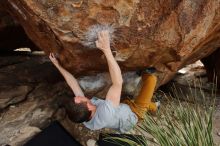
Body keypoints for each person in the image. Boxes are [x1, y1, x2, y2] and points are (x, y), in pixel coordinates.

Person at [49, 30, 159, 133]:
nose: (79, 95)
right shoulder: (105, 114)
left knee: (138, 102)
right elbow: (117, 83)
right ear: (90, 106)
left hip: (122, 108)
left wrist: (58, 66)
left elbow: (72, 83)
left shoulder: (82, 114)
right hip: (134, 114)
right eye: (81, 98)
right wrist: (106, 49)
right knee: (151, 79)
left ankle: (155, 106)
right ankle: (146, 74)